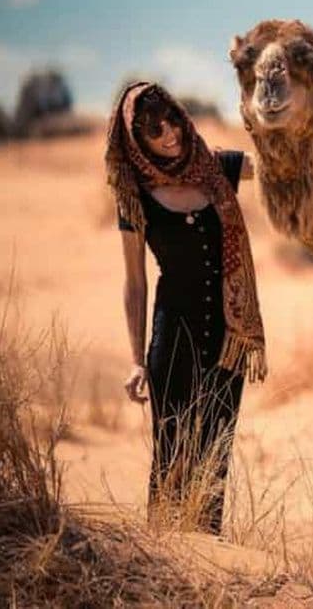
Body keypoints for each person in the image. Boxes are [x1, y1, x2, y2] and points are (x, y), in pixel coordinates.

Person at [104, 82, 266, 534]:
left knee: (216, 455)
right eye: (154, 130)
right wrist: (136, 360)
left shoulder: (220, 168)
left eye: (172, 119)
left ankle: (209, 556)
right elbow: (135, 282)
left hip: (227, 340)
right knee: (171, 452)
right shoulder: (132, 194)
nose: (169, 133)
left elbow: (280, 166)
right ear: (137, 139)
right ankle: (167, 561)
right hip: (173, 339)